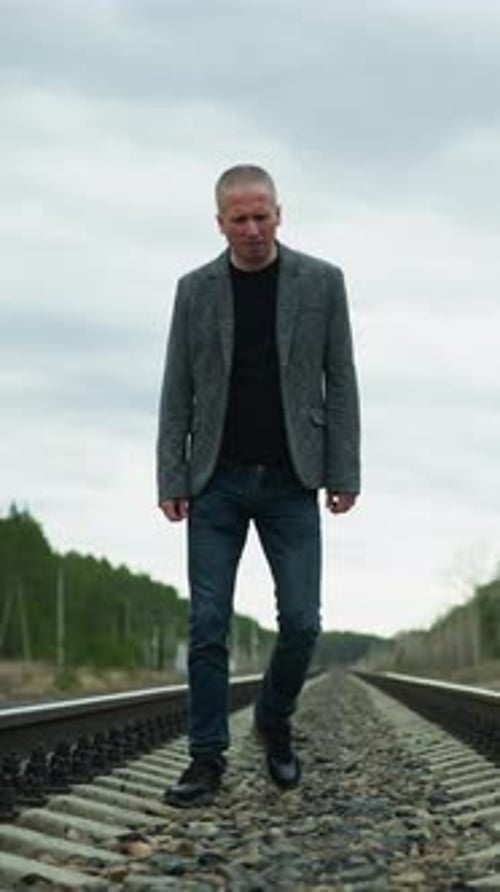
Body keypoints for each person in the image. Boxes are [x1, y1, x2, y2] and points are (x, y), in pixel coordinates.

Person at [157, 164, 360, 807]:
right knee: (208, 625)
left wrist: (343, 471)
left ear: (279, 214)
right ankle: (206, 760)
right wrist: (171, 475)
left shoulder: (322, 283)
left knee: (301, 623)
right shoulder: (194, 290)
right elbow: (177, 390)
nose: (251, 229)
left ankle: (273, 719)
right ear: (220, 223)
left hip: (292, 479)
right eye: (238, 218)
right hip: (213, 480)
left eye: (261, 216)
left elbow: (341, 381)